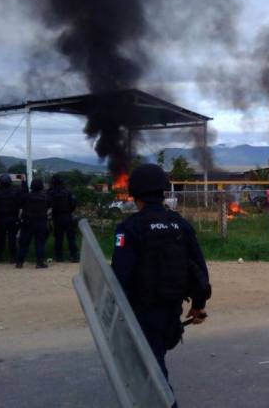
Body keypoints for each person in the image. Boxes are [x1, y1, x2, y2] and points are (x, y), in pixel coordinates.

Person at [111, 164, 211, 407]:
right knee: (154, 364)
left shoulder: (130, 228)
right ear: (163, 192)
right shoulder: (180, 225)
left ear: (134, 194)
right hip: (172, 312)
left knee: (153, 372)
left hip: (143, 315)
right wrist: (198, 305)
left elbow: (118, 277)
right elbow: (199, 270)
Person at [0, 174, 27, 263]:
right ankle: (13, 257)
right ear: (10, 182)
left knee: (0, 238)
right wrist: (24, 182)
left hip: (0, 219)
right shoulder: (16, 192)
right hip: (13, 218)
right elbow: (24, 196)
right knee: (12, 238)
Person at [16, 178, 51, 269]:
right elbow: (49, 206)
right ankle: (39, 263)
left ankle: (19, 263)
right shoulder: (45, 197)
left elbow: (19, 204)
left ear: (31, 186)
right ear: (41, 186)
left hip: (27, 222)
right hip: (41, 222)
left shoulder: (26, 196)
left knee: (24, 243)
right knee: (40, 243)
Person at [47, 175, 79, 262]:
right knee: (71, 238)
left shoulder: (50, 192)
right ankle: (74, 256)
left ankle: (59, 257)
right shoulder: (67, 191)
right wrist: (69, 211)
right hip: (67, 216)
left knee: (58, 238)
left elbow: (48, 204)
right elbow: (73, 203)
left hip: (57, 217)